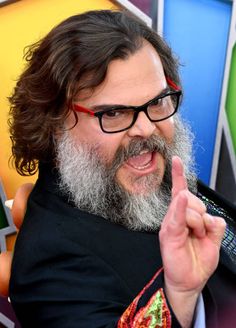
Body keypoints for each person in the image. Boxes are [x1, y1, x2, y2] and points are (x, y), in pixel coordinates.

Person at [4, 9, 236, 328]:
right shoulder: (51, 263)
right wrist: (179, 295)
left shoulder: (154, 172)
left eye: (157, 102)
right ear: (53, 125)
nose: (145, 128)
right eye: (113, 113)